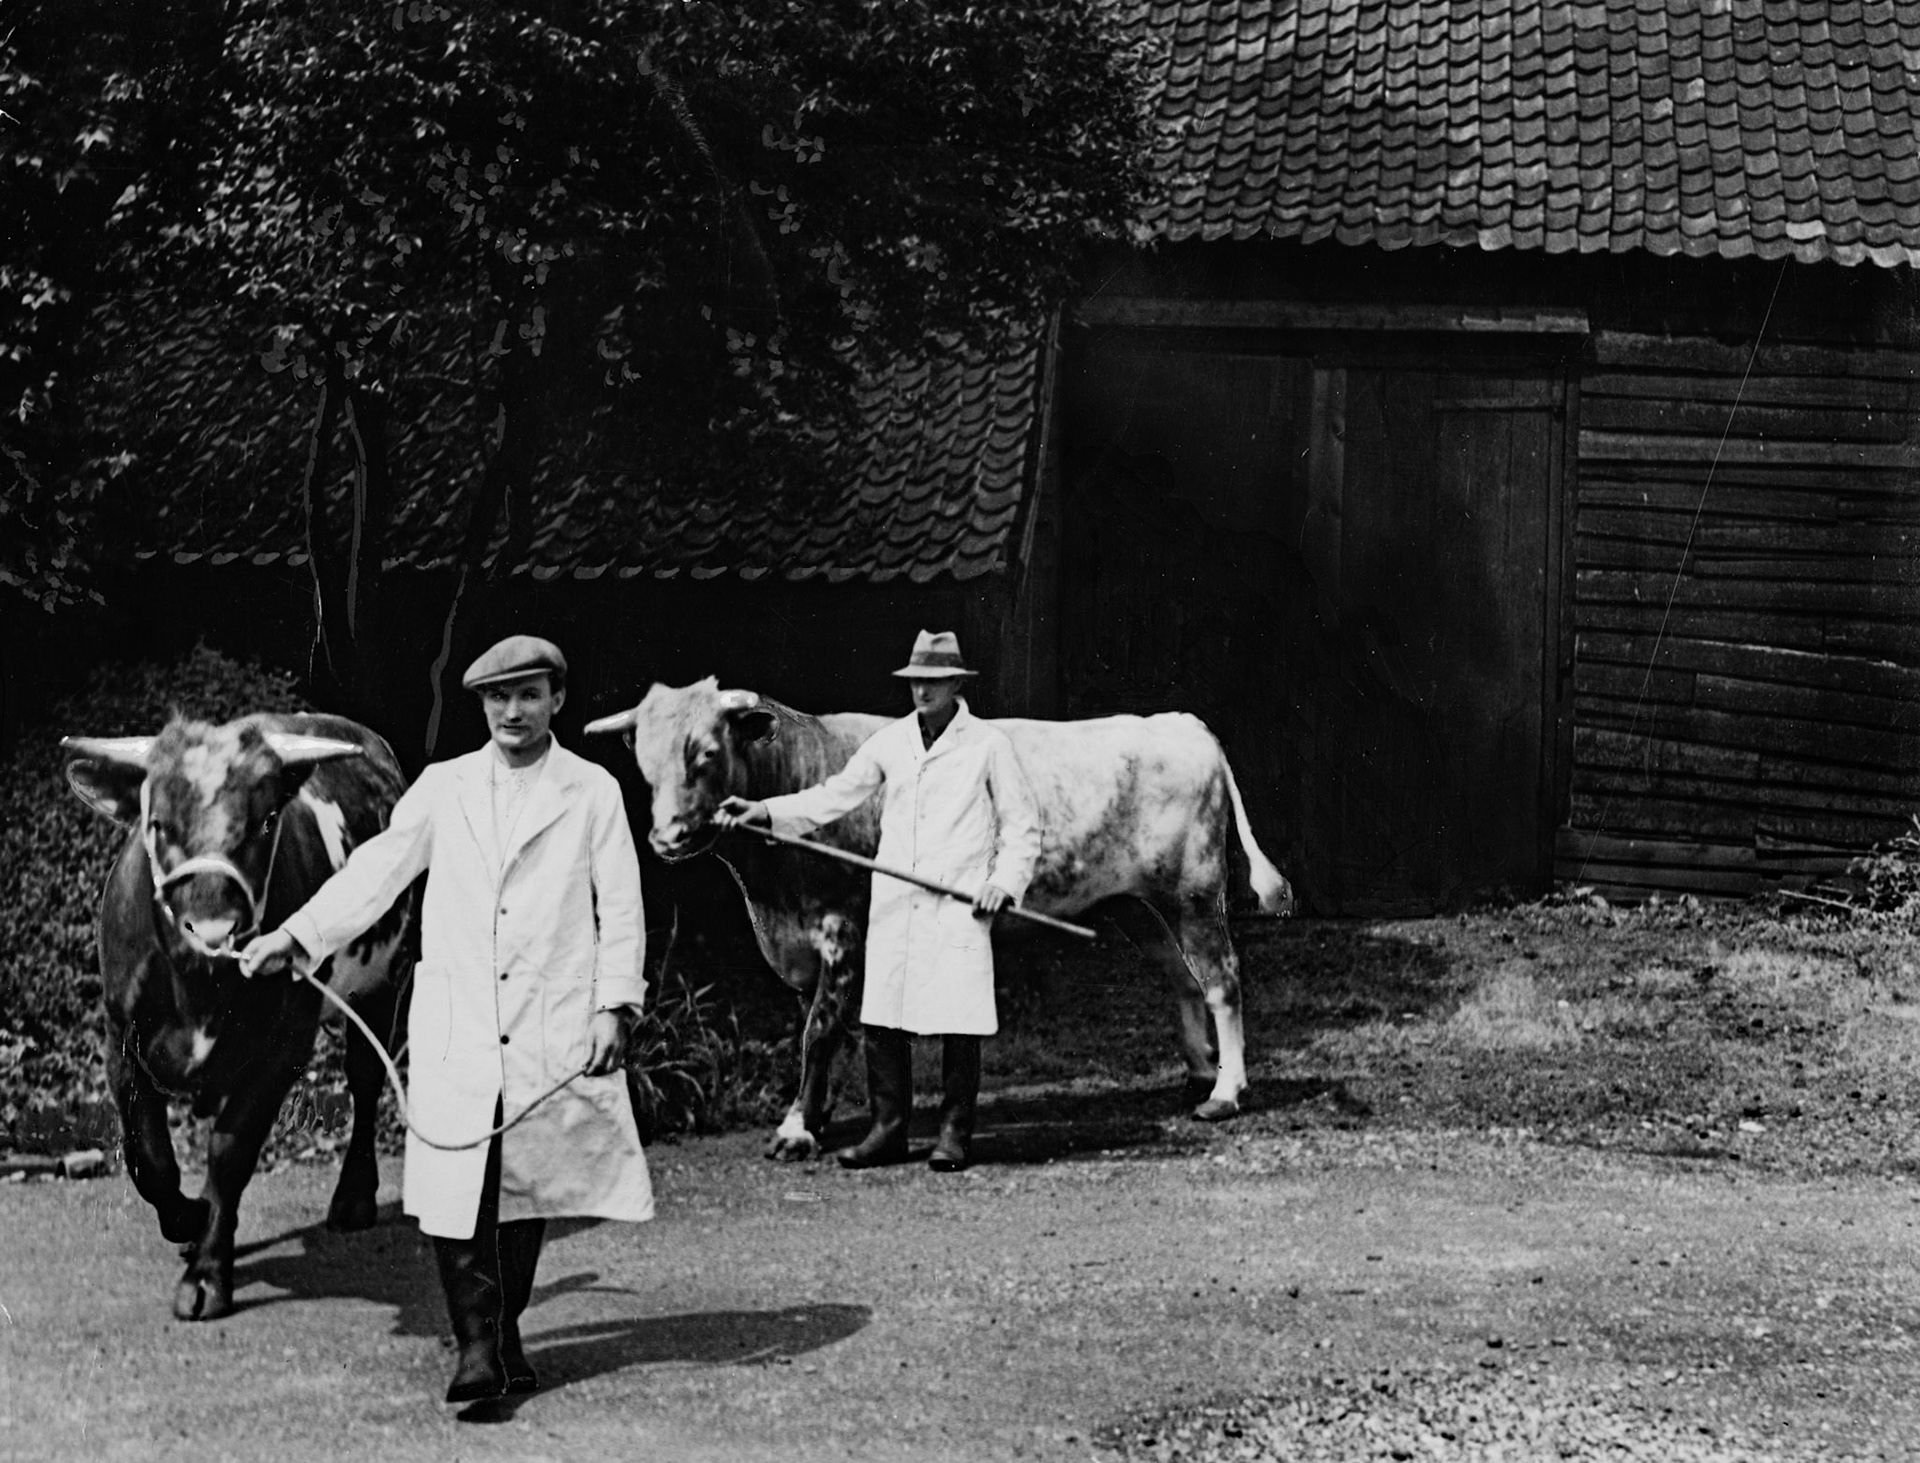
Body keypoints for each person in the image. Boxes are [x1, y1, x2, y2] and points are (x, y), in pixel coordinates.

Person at [238, 634, 651, 1405]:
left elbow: (622, 906)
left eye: (528, 694)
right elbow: (376, 872)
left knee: (526, 1185)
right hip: (459, 1019)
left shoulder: (593, 790)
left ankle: (505, 1327)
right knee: (457, 1185)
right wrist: (296, 935)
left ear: (557, 699)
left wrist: (613, 1006)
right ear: (482, 705)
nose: (512, 711)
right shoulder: (443, 785)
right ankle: (477, 1344)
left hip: (548, 1017)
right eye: (497, 697)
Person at [716, 629, 1041, 1174]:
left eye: (935, 682)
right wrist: (766, 812)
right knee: (884, 1016)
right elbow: (834, 796)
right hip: (895, 898)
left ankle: (954, 1132)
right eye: (915, 682)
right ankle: (888, 1130)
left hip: (958, 898)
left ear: (958, 684)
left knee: (959, 1018)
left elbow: (1022, 824)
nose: (922, 692)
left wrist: (1004, 882)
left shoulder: (988, 745)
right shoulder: (890, 742)